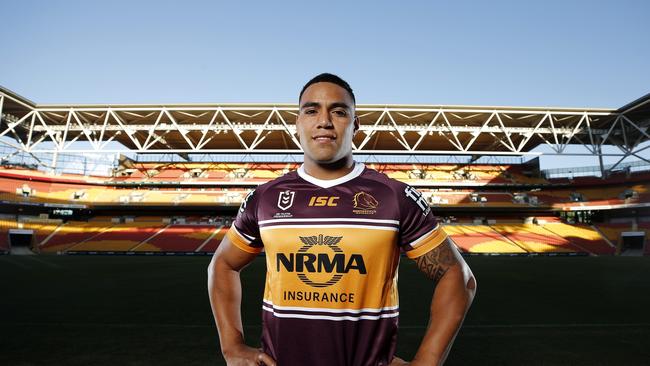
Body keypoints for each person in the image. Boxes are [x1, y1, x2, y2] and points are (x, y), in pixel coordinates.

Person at [208, 73, 476, 366]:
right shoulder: (265, 198)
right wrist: (231, 346)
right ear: (297, 124)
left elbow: (458, 277)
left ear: (355, 125)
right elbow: (223, 264)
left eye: (338, 111)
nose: (324, 120)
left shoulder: (392, 196)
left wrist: (427, 360)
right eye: (311, 110)